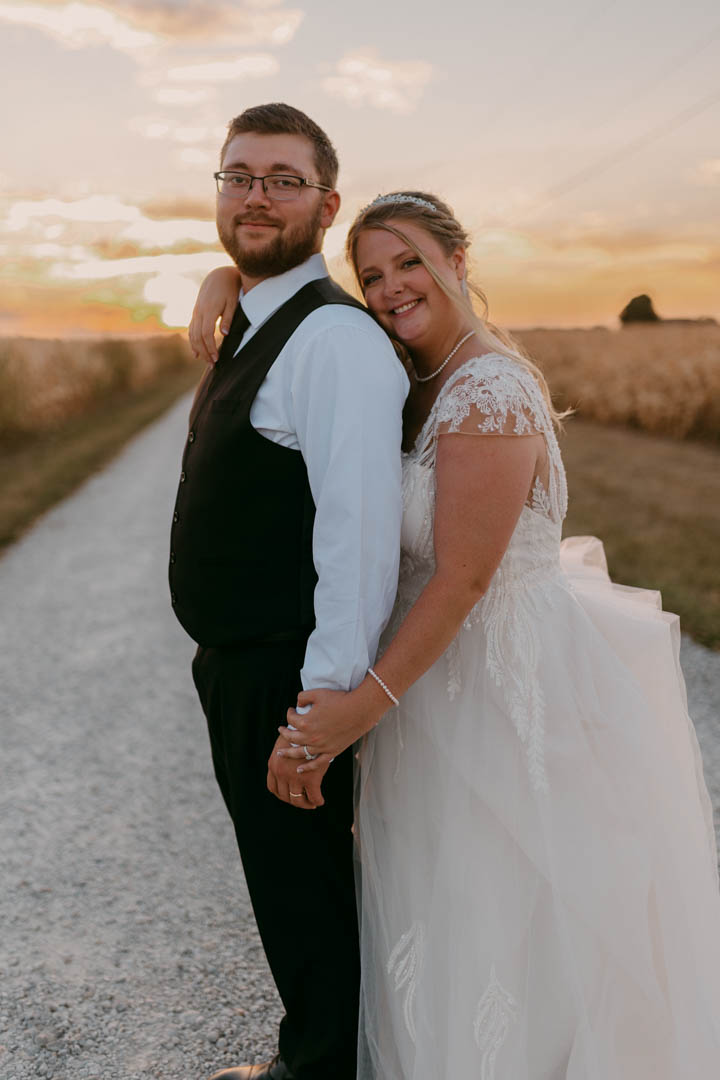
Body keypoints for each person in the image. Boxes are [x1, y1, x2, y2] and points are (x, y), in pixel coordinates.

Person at [264, 191, 720, 1077]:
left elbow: (467, 578)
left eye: (410, 263)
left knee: (516, 899)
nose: (391, 288)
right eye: (373, 276)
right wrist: (219, 282)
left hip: (504, 675)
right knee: (452, 904)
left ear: (458, 260)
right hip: (438, 674)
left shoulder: (487, 387)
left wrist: (360, 708)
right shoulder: (417, 377)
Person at [169, 105, 408, 1080]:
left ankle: (316, 1070)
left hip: (286, 679)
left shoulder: (333, 341)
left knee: (308, 907)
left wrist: (319, 717)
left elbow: (357, 537)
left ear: (328, 202)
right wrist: (222, 278)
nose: (255, 195)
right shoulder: (250, 311)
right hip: (241, 667)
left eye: (282, 178)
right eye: (238, 176)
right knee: (287, 896)